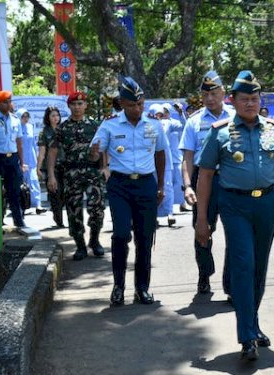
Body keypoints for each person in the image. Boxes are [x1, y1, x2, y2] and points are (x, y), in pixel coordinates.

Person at [195, 70, 274, 360]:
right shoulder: (219, 132)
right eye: (244, 99)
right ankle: (246, 337)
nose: (250, 104)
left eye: (255, 99)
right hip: (234, 205)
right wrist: (201, 219)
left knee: (259, 268)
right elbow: (205, 176)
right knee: (243, 265)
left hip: (266, 204)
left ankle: (252, 324)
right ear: (233, 100)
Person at [91, 76, 167, 306]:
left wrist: (161, 185)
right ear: (122, 103)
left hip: (146, 184)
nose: (138, 108)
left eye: (141, 104)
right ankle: (118, 286)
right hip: (120, 185)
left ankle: (142, 288)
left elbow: (160, 154)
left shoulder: (153, 124)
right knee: (122, 234)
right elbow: (96, 151)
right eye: (133, 105)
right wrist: (94, 153)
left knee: (144, 238)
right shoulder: (110, 124)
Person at [179, 70, 234, 296]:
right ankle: (204, 274)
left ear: (223, 93)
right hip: (203, 179)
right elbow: (187, 158)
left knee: (235, 232)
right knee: (202, 229)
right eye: (205, 94)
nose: (210, 98)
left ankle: (231, 284)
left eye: (214, 93)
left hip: (231, 178)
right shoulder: (194, 122)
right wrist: (187, 186)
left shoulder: (236, 116)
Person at [47, 92, 106, 261]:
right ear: (69, 106)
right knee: (74, 210)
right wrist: (51, 175)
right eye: (74, 104)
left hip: (93, 172)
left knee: (97, 208)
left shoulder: (95, 126)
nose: (77, 107)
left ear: (86, 105)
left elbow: (104, 147)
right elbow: (52, 152)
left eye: (80, 103)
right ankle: (80, 245)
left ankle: (94, 240)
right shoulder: (62, 129)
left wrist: (105, 167)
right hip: (71, 174)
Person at [0, 90, 27, 230]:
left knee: (15, 190)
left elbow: (19, 142)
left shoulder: (15, 119)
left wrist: (22, 162)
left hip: (13, 158)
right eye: (5, 102)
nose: (9, 104)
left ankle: (18, 220)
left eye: (10, 101)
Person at [37, 106, 65, 227]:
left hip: (64, 165)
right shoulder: (44, 132)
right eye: (52, 115)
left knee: (64, 193)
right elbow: (42, 151)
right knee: (55, 193)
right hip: (50, 167)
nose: (55, 118)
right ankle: (59, 220)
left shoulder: (63, 129)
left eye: (57, 115)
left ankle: (58, 212)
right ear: (48, 117)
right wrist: (38, 167)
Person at [17, 108, 45, 214]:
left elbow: (33, 142)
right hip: (21, 159)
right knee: (21, 183)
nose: (25, 119)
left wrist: (37, 157)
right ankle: (22, 206)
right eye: (23, 116)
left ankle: (38, 205)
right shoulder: (16, 128)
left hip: (31, 159)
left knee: (34, 182)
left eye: (27, 116)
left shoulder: (30, 127)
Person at [162, 103, 185, 224]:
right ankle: (156, 214)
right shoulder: (152, 122)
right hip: (156, 160)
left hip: (174, 158)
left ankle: (174, 208)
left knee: (173, 185)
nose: (163, 113)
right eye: (162, 111)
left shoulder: (172, 122)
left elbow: (184, 126)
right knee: (161, 186)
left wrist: (181, 113)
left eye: (166, 111)